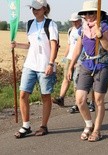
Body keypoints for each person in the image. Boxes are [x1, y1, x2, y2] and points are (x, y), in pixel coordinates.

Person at [11, 0, 58, 138]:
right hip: (30, 65)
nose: (34, 10)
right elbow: (31, 45)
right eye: (32, 8)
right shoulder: (30, 24)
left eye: (37, 8)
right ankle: (26, 126)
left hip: (45, 66)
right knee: (23, 94)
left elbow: (54, 45)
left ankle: (43, 126)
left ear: (44, 9)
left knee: (45, 96)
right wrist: (17, 45)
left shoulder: (51, 24)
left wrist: (50, 63)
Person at [67, 0, 108, 142]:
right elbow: (78, 48)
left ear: (98, 14)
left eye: (91, 12)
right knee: (80, 99)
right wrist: (70, 66)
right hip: (86, 64)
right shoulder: (83, 29)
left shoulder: (104, 26)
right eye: (85, 13)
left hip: (102, 65)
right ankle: (88, 125)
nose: (88, 15)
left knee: (98, 100)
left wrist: (100, 35)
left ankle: (97, 130)